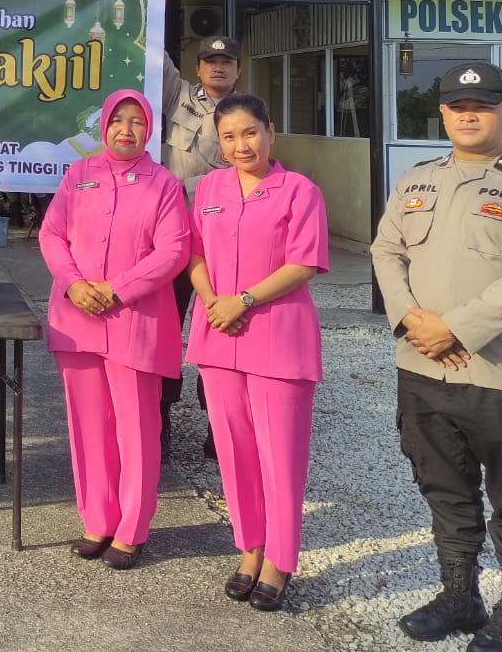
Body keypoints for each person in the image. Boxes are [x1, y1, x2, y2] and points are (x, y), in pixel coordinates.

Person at [369, 62, 502, 652]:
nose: (469, 113)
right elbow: (386, 250)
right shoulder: (415, 180)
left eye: (483, 104)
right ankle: (460, 596)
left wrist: (452, 329)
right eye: (457, 105)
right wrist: (410, 320)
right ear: (444, 114)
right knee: (445, 489)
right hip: (423, 372)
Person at [186, 93, 328, 612]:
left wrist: (243, 300)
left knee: (280, 456)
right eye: (229, 137)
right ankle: (249, 547)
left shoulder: (300, 191)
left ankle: (280, 558)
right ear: (218, 143)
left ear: (271, 132)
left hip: (278, 335)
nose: (240, 145)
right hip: (219, 333)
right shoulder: (209, 188)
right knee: (234, 450)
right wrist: (211, 303)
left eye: (250, 132)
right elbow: (195, 252)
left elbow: (306, 262)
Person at [38, 89, 189, 570]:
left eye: (137, 121)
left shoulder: (163, 183)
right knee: (88, 424)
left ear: (149, 128)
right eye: (118, 120)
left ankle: (131, 529)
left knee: (137, 428)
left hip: (135, 322)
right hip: (77, 318)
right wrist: (74, 284)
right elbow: (51, 234)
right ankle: (97, 519)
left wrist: (117, 290)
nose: (127, 129)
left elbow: (173, 252)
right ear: (103, 125)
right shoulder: (79, 174)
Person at [159, 34, 243, 455]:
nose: (218, 67)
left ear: (238, 70)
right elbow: (154, 46)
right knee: (166, 329)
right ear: (198, 69)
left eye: (226, 61)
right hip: (173, 236)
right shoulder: (178, 98)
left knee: (220, 332)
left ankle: (220, 428)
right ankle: (159, 420)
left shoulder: (245, 115)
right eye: (210, 61)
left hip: (221, 242)